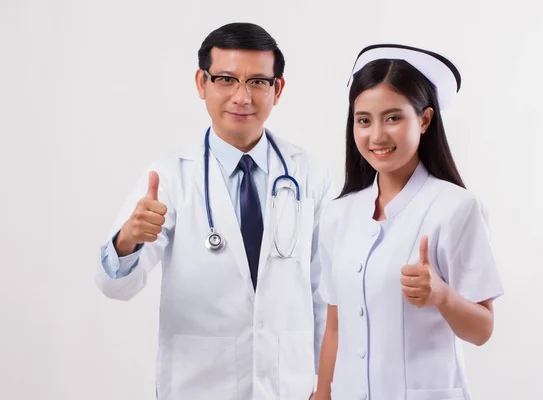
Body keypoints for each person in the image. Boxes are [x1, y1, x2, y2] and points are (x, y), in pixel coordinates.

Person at [96, 22, 334, 400]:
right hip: (199, 386)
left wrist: (325, 386)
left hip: (290, 385)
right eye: (226, 79)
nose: (242, 97)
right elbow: (115, 286)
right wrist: (128, 241)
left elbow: (325, 292)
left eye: (258, 82)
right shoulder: (171, 175)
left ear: (278, 89)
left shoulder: (310, 174)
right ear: (201, 83)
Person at [314, 44, 504, 400]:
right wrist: (322, 393)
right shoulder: (338, 214)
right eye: (363, 120)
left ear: (425, 119)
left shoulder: (457, 208)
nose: (377, 136)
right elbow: (335, 326)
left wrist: (442, 296)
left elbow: (482, 330)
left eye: (393, 117)